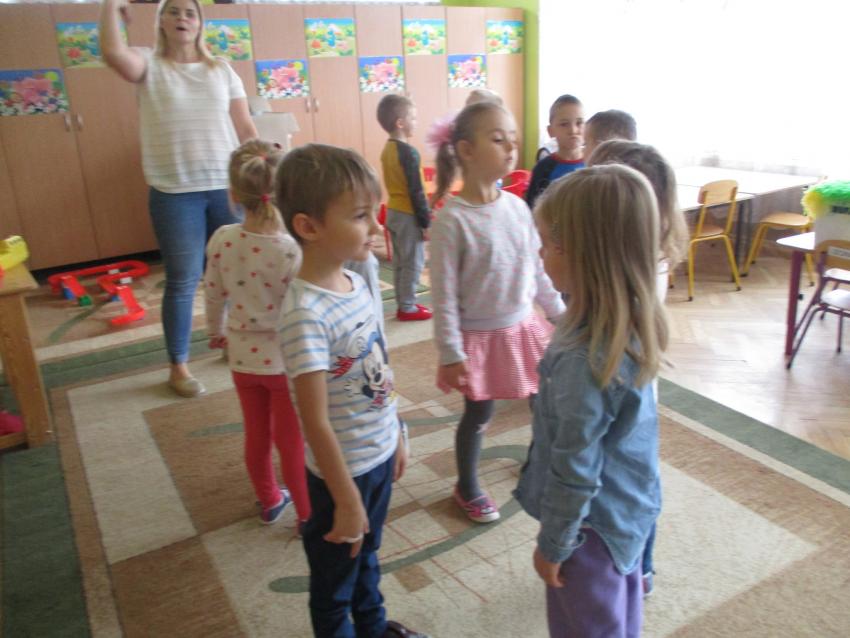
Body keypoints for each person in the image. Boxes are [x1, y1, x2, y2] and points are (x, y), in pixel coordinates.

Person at [276, 144, 428, 638]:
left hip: (377, 454)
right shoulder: (305, 314)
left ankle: (374, 627)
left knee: (368, 554)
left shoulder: (357, 283)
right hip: (341, 475)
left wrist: (396, 432)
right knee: (334, 583)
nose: (376, 225)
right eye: (361, 216)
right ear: (309, 227)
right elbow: (314, 421)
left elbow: (379, 367)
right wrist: (344, 499)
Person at [514, 164, 667, 638]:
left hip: (589, 532)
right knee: (619, 614)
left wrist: (555, 544)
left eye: (546, 243)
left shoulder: (583, 358)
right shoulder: (629, 323)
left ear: (578, 253)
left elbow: (575, 467)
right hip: (628, 511)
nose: (540, 254)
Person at [99, 0, 258, 398]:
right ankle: (179, 366)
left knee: (235, 272)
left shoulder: (221, 69)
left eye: (190, 12)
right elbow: (113, 53)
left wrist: (262, 167)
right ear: (161, 21)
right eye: (173, 12)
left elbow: (244, 127)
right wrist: (111, 6)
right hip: (174, 194)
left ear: (200, 23)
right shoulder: (148, 64)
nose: (182, 18)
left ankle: (231, 339)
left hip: (226, 188)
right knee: (184, 280)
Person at [429, 102, 565, 524]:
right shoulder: (452, 221)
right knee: (479, 413)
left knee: (544, 401)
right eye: (498, 139)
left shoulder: (518, 208)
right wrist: (451, 353)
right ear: (466, 150)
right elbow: (443, 297)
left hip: (523, 327)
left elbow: (536, 269)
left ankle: (540, 465)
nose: (510, 148)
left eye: (513, 140)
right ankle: (466, 486)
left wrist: (559, 313)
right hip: (478, 338)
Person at [586, 140, 688, 597]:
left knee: (618, 487)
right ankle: (640, 569)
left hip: (617, 394)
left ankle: (631, 567)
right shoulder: (650, 253)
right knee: (641, 480)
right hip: (639, 394)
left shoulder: (623, 271)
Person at [203, 139, 310, 529]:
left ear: (233, 195)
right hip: (285, 364)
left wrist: (215, 331)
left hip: (242, 360)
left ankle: (269, 499)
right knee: (292, 442)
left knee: (256, 434)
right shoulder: (293, 250)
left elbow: (212, 293)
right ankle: (307, 515)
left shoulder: (222, 239)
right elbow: (304, 310)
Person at [377, 94, 432, 322]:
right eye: (413, 118)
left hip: (393, 211)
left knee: (400, 262)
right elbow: (416, 191)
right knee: (413, 262)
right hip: (408, 214)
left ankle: (404, 302)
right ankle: (407, 307)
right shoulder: (408, 152)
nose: (416, 122)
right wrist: (426, 222)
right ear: (400, 123)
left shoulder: (387, 149)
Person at [526, 94, 585, 209]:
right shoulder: (543, 168)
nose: (573, 130)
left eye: (579, 123)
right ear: (550, 131)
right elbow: (532, 207)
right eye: (564, 124)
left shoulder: (594, 163)